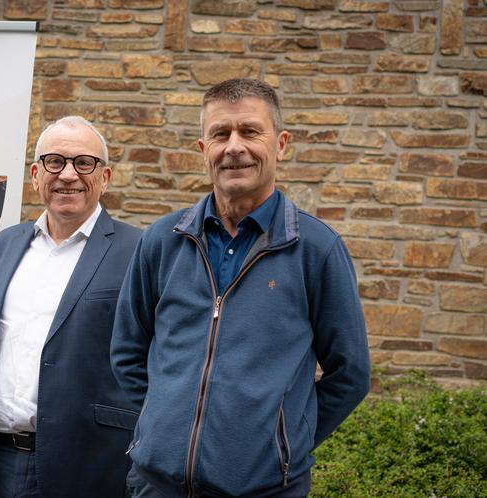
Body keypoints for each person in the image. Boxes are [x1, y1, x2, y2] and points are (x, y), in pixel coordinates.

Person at [111, 78, 371, 498]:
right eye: (220, 134)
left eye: (250, 131)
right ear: (203, 150)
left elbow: (351, 373)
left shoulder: (317, 249)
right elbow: (126, 351)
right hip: (156, 486)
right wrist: (164, 423)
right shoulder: (161, 240)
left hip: (266, 490)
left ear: (281, 144)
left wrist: (282, 446)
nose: (234, 146)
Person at [0, 116, 142, 498]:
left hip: (84, 467)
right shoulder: (3, 245)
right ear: (35, 173)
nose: (68, 174)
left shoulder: (138, 252)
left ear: (105, 177)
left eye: (84, 163)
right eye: (55, 161)